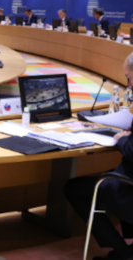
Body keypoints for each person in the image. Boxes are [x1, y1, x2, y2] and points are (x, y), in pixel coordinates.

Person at [65, 52, 133, 260]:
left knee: (73, 188)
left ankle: (122, 252)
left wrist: (123, 139)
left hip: (129, 188)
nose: (129, 85)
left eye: (129, 78)